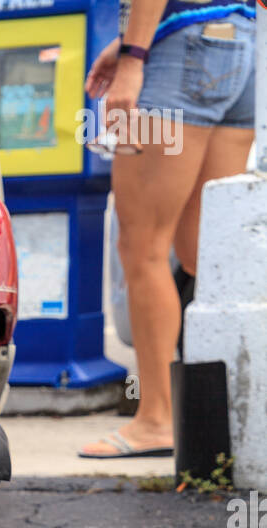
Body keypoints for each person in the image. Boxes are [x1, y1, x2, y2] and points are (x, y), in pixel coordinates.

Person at [80, 0, 256, 459]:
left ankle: (156, 419)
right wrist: (128, 44)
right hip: (241, 44)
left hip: (181, 55)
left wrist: (134, 58)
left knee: (142, 247)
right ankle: (241, 416)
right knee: (206, 254)